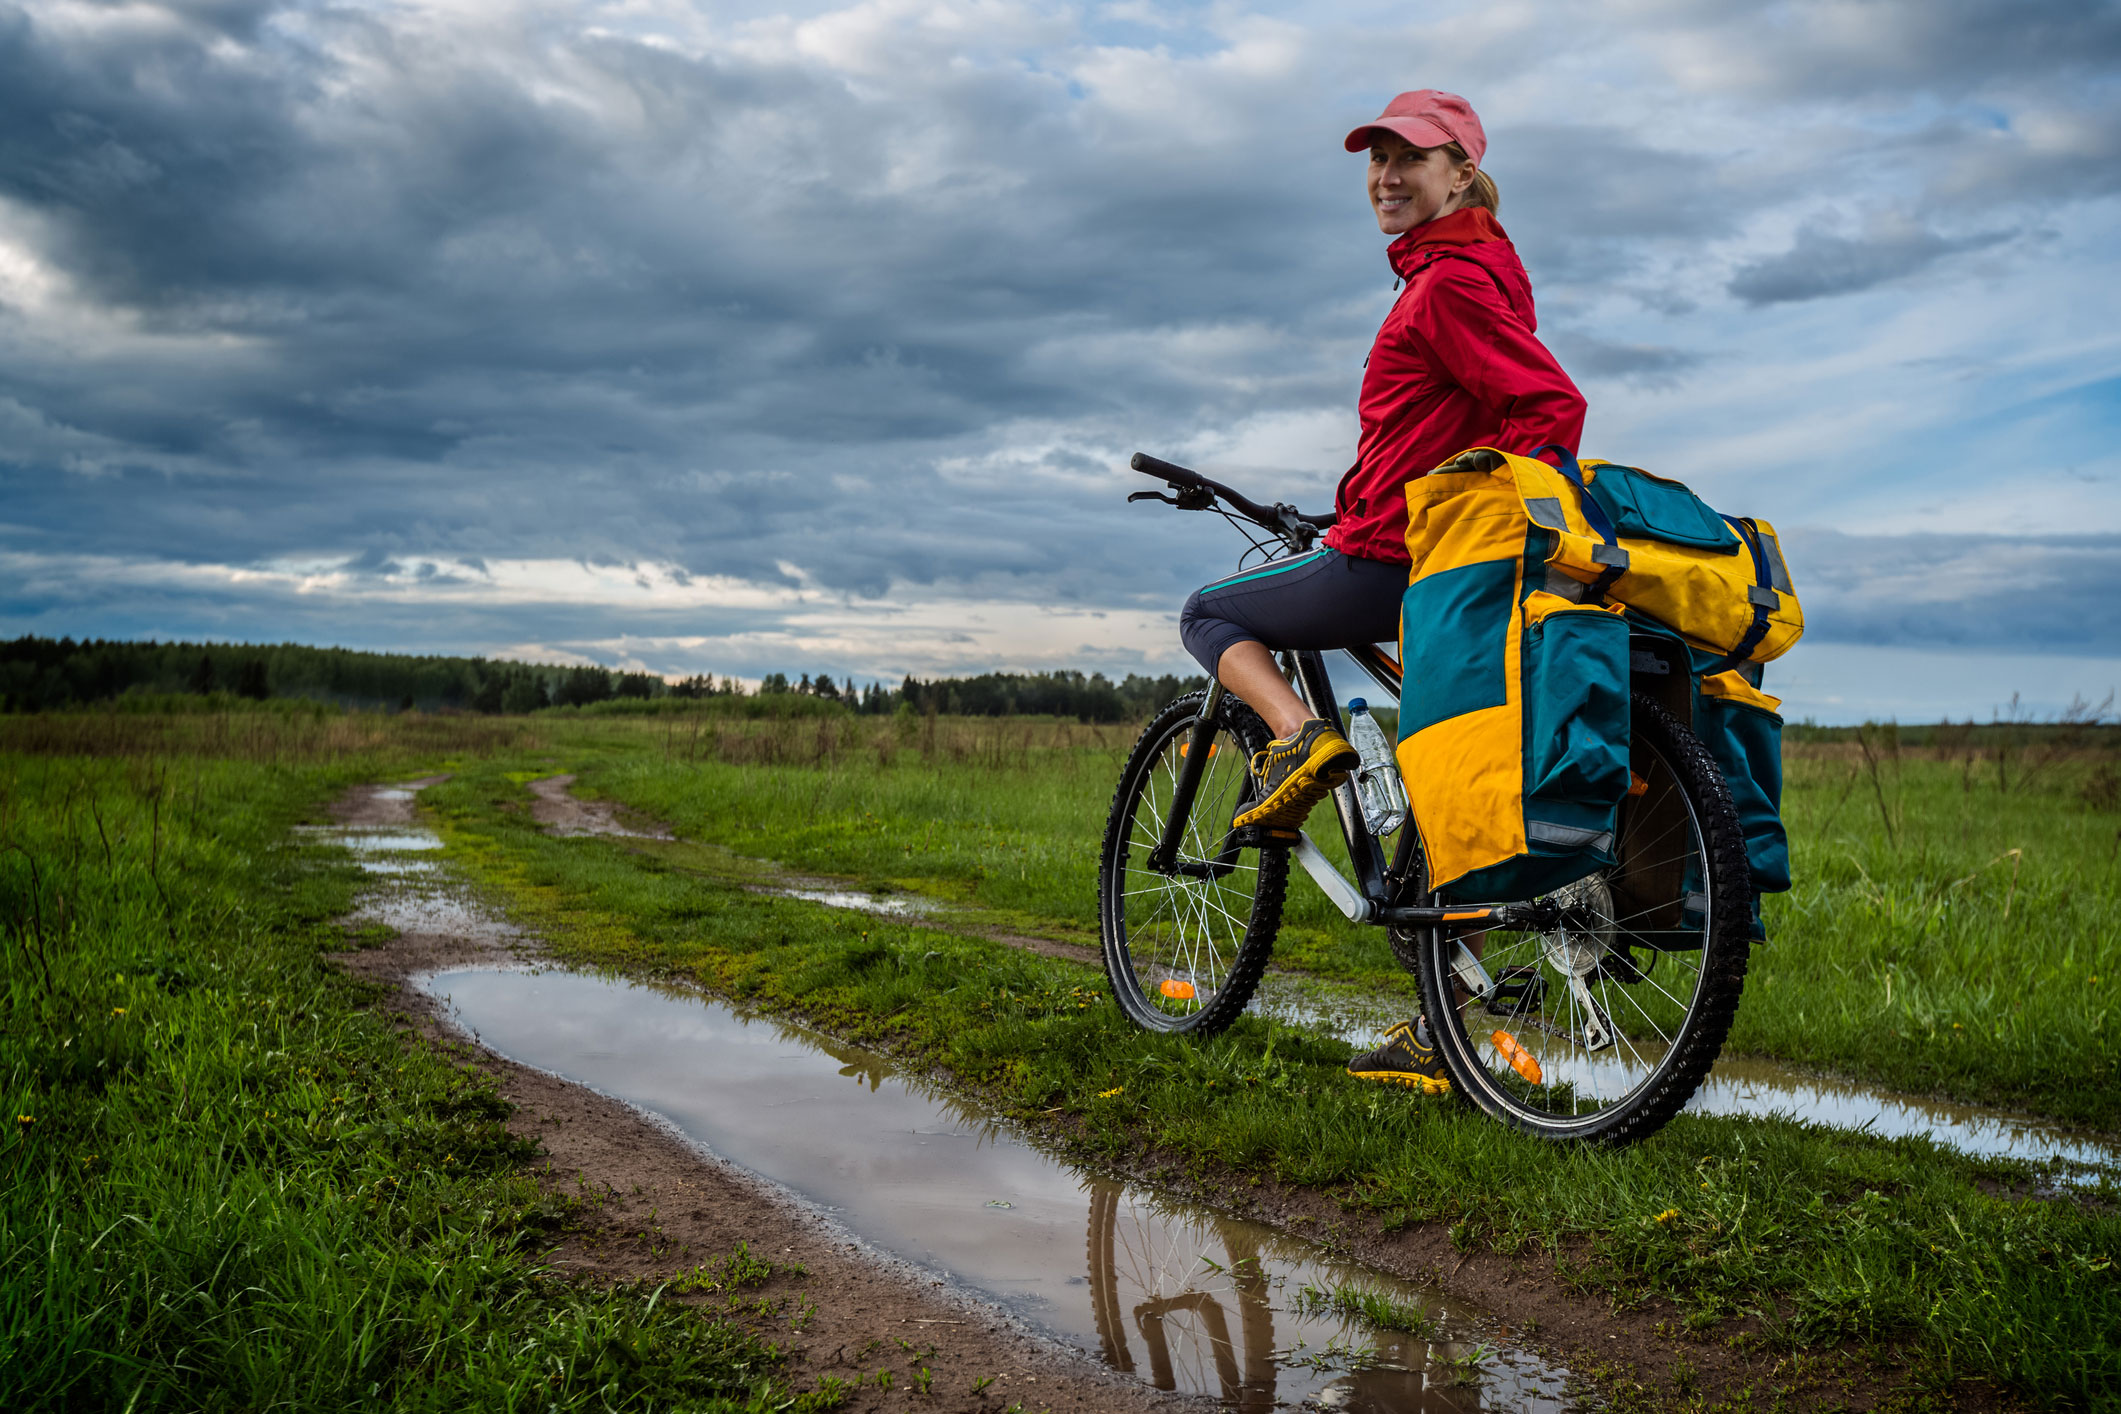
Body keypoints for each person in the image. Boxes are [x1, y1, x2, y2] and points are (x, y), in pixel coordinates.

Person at [1175, 89, 1586, 1093]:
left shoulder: (1446, 285)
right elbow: (1448, 427)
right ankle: (1440, 1032)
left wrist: (1483, 525)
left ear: (1461, 173)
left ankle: (1294, 735)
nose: (1387, 177)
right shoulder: (1478, 274)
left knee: (1209, 611)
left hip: (1401, 555)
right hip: (1422, 547)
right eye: (1376, 160)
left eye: (1411, 158)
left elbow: (1547, 407)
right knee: (1435, 786)